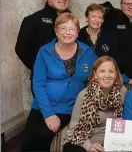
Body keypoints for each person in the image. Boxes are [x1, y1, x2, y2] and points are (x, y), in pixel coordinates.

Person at [21, 13, 98, 151]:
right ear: (56, 31)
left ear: (77, 32)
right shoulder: (44, 51)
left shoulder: (87, 52)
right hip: (43, 106)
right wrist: (49, 114)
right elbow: (38, 84)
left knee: (44, 134)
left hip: (70, 108)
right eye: (63, 28)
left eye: (72, 29)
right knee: (29, 141)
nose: (67, 32)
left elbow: (104, 67)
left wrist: (127, 79)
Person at [15, 0, 72, 97]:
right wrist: (41, 67)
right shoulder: (32, 20)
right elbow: (21, 49)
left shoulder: (73, 22)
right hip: (44, 81)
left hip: (69, 81)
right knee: (45, 114)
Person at [63, 56, 127, 152]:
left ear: (116, 75)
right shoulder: (84, 95)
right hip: (84, 141)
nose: (107, 75)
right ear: (95, 74)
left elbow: (130, 119)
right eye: (102, 71)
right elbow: (73, 128)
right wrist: (89, 146)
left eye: (111, 71)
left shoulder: (122, 92)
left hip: (111, 142)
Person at [77, 3, 132, 86]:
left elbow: (116, 62)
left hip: (106, 79)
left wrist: (124, 78)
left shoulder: (110, 36)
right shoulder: (78, 35)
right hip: (84, 80)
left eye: (99, 17)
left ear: (103, 20)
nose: (96, 20)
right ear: (87, 18)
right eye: (93, 16)